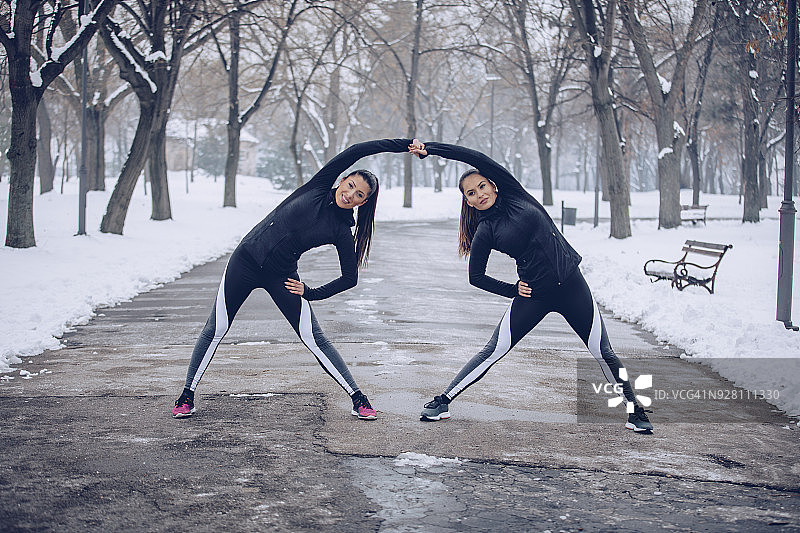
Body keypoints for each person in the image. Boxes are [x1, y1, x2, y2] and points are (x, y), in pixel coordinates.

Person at [408, 139, 653, 433]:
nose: (479, 194)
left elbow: (473, 154)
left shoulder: (515, 194)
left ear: (493, 185)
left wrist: (431, 149)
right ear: (468, 202)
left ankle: (635, 412)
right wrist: (513, 290)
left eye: (482, 186)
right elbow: (476, 277)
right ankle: (443, 400)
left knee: (602, 351)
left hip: (572, 286)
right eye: (471, 193)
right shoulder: (485, 231)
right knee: (494, 349)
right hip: (534, 294)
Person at [172, 138, 414, 420]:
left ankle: (358, 397)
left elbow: (350, 278)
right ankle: (187, 394)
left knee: (314, 337)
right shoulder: (319, 185)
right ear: (343, 179)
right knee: (216, 327)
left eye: (359, 195)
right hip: (246, 260)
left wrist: (310, 292)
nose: (350, 194)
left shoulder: (342, 230)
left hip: (282, 275)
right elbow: (358, 150)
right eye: (350, 185)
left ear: (364, 202)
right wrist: (405, 145)